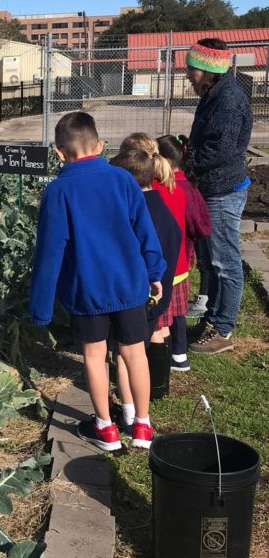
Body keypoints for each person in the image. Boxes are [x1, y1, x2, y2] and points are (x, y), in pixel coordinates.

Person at [29, 112, 164, 452]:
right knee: (134, 354)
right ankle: (143, 426)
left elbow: (49, 253)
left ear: (58, 152)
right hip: (130, 285)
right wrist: (154, 271)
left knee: (94, 355)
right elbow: (144, 230)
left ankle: (105, 428)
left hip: (87, 290)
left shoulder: (58, 191)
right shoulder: (123, 180)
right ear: (101, 145)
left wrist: (40, 308)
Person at [185, 38, 252, 354]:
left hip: (223, 191)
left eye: (191, 69)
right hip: (210, 188)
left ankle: (222, 330)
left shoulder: (227, 101)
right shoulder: (213, 94)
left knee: (225, 262)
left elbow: (220, 150)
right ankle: (210, 317)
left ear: (207, 70)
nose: (188, 75)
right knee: (210, 261)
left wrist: (185, 163)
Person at [110, 149, 181, 419]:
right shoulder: (161, 205)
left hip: (141, 293)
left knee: (126, 352)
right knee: (156, 334)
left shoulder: (137, 211)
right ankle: (158, 388)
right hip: (161, 291)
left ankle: (130, 412)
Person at [157, 135, 212, 372]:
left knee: (161, 312)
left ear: (166, 160)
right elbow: (201, 225)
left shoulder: (163, 188)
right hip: (181, 260)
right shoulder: (189, 187)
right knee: (178, 310)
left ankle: (163, 354)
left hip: (162, 262)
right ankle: (180, 354)